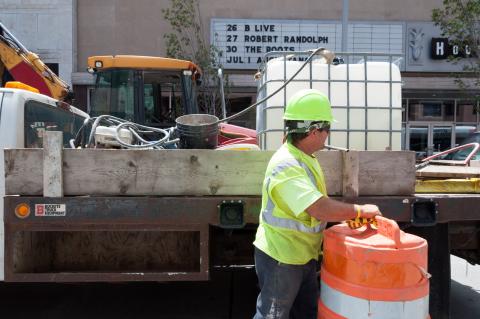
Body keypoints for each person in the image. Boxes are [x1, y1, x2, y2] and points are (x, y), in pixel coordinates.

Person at [253, 89, 382, 319]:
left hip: (302, 255)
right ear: (314, 131)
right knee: (272, 316)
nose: (327, 136)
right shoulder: (287, 164)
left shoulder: (303, 157)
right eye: (327, 129)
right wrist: (359, 211)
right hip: (282, 258)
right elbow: (318, 208)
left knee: (307, 313)